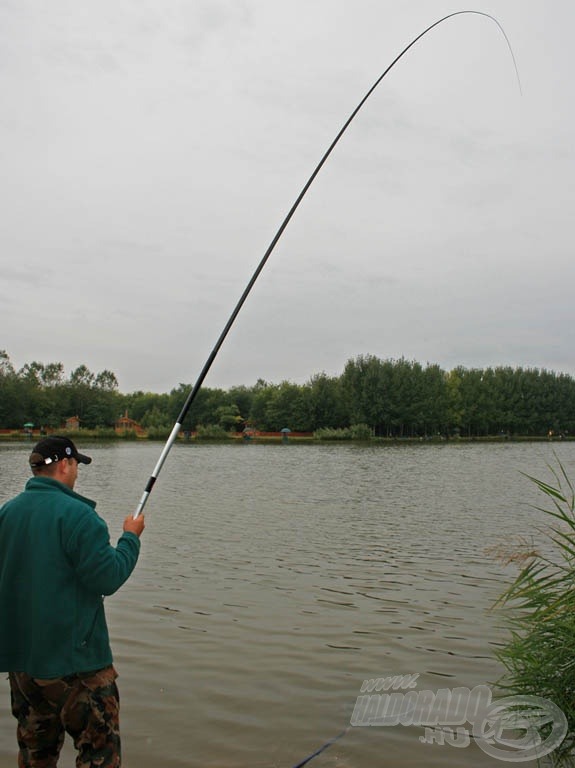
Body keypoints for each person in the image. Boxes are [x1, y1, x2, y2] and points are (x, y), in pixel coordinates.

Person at [0, 435, 145, 767]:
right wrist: (130, 538)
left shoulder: (6, 514)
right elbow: (108, 577)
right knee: (99, 755)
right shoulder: (80, 516)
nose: (77, 471)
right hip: (76, 667)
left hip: (23, 667)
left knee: (35, 755)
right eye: (77, 464)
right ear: (64, 464)